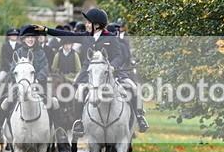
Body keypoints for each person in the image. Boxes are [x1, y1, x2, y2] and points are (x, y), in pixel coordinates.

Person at [33, 8, 149, 136]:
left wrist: (113, 67)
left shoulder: (110, 38)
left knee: (132, 87)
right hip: (88, 74)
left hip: (111, 72)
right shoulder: (85, 37)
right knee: (80, 92)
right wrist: (46, 30)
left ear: (97, 25)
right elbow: (66, 35)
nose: (86, 25)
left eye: (88, 23)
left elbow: (118, 56)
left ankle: (139, 117)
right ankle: (79, 122)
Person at [0, 25, 66, 143]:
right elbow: (12, 69)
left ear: (35, 39)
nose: (30, 40)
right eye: (28, 38)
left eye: (32, 38)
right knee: (5, 101)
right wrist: (18, 81)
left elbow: (44, 69)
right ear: (23, 39)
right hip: (20, 86)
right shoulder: (18, 52)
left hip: (39, 86)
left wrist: (36, 80)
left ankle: (58, 130)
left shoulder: (41, 53)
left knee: (55, 102)